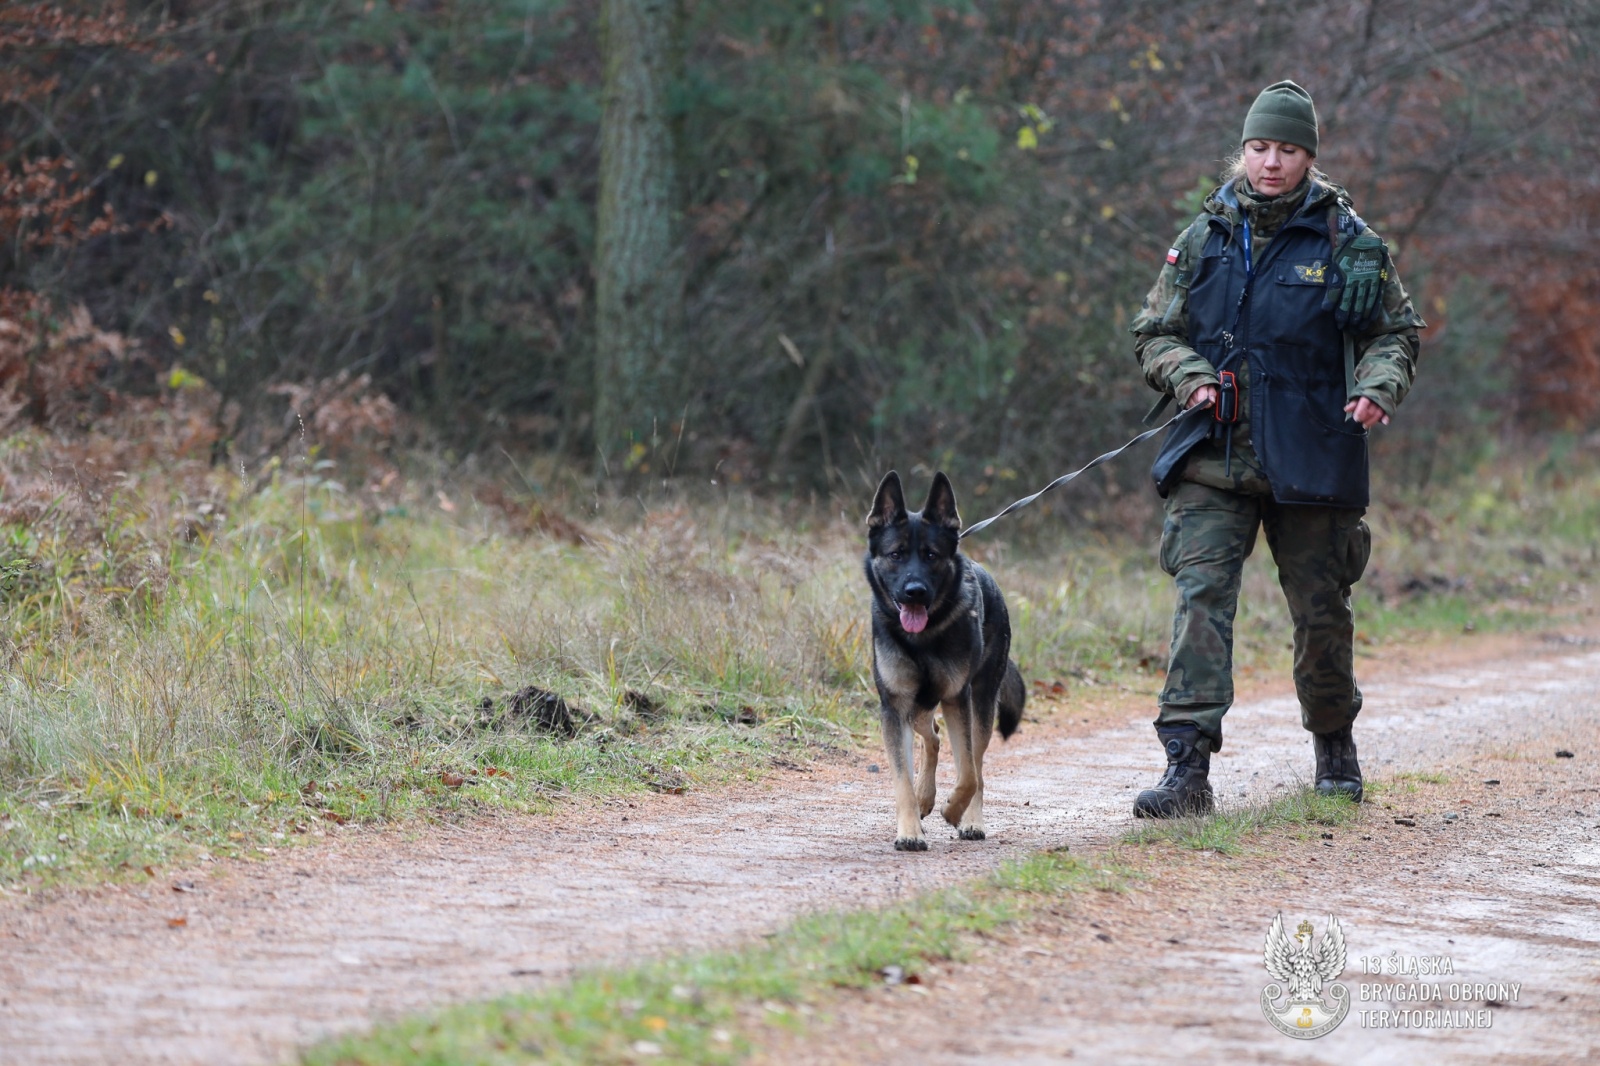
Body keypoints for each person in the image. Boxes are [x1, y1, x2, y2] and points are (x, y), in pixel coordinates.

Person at [1126, 80, 1425, 817]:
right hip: (1214, 452)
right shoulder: (1206, 235)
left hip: (1314, 453)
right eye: (1260, 148)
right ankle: (1186, 769)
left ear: (1308, 157)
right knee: (1200, 601)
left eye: (1287, 150)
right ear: (1243, 151)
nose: (1271, 162)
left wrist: (1378, 387)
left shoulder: (1349, 242)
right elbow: (1153, 332)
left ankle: (1334, 749)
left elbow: (1396, 333)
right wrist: (1191, 376)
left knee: (1322, 612)